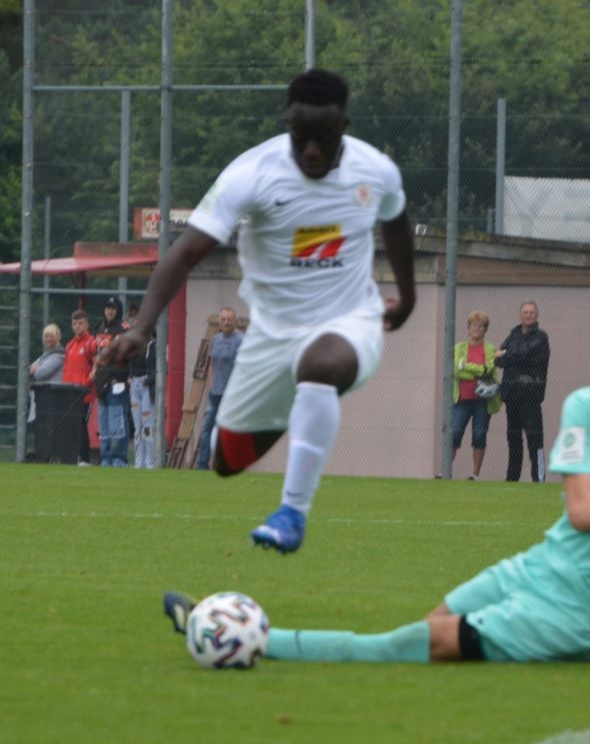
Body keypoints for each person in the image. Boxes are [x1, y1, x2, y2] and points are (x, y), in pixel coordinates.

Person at [163, 330, 590, 671]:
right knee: (431, 627)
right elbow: (582, 510)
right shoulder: (584, 409)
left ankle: (247, 638)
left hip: (575, 612)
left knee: (406, 647)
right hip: (536, 568)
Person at [99, 69, 416, 553]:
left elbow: (396, 223)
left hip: (350, 319)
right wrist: (141, 328)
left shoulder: (376, 171)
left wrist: (407, 298)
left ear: (344, 126)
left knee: (321, 365)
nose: (312, 149)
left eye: (324, 137)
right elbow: (184, 254)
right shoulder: (252, 172)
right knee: (225, 461)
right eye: (301, 136)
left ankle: (292, 512)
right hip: (272, 333)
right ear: (287, 121)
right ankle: (304, 407)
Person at [495, 301, 550, 482]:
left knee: (535, 441)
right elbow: (498, 359)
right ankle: (512, 479)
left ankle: (539, 478)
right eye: (525, 312)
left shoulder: (541, 338)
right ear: (520, 315)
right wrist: (508, 356)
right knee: (513, 441)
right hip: (512, 395)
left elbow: (525, 356)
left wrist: (508, 355)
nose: (528, 315)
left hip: (530, 395)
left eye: (531, 312)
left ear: (537, 315)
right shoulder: (513, 335)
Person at [452, 310, 500, 480]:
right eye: (473, 326)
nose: (476, 330)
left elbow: (488, 370)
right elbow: (456, 371)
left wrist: (466, 366)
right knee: (454, 433)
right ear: (468, 328)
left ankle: (475, 474)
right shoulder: (459, 347)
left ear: (485, 330)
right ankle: (446, 471)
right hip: (462, 399)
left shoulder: (490, 349)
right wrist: (476, 371)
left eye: (480, 327)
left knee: (479, 435)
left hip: (482, 400)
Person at [195, 307, 244, 470]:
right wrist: (211, 385)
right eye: (223, 319)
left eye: (229, 319)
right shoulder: (215, 339)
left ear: (234, 321)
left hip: (233, 396)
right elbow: (212, 364)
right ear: (219, 322)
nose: (226, 322)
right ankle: (202, 465)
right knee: (206, 429)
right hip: (215, 394)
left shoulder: (241, 340)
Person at [92, 296, 131, 467]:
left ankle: (119, 457)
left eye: (113, 308)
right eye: (107, 307)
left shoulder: (124, 329)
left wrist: (119, 376)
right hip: (101, 381)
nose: (109, 310)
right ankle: (105, 457)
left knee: (117, 421)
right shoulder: (100, 327)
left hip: (116, 381)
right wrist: (94, 371)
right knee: (104, 422)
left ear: (118, 310)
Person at [63, 310, 97, 466]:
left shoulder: (91, 343)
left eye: (81, 323)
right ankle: (72, 456)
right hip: (69, 391)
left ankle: (84, 458)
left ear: (87, 324)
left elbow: (97, 365)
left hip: (84, 392)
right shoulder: (69, 345)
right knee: (71, 424)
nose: (77, 326)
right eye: (75, 323)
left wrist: (88, 381)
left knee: (81, 423)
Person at [128, 335, 158, 469]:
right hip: (134, 386)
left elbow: (161, 369)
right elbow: (126, 364)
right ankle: (138, 462)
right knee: (138, 428)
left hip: (147, 387)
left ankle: (149, 462)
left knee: (148, 427)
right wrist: (129, 377)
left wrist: (147, 380)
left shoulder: (154, 346)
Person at [27, 323, 65, 424]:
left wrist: (37, 369)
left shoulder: (58, 355)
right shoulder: (46, 355)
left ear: (58, 337)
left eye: (52, 336)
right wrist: (35, 369)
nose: (49, 339)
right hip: (42, 400)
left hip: (50, 400)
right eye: (46, 336)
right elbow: (29, 368)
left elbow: (41, 374)